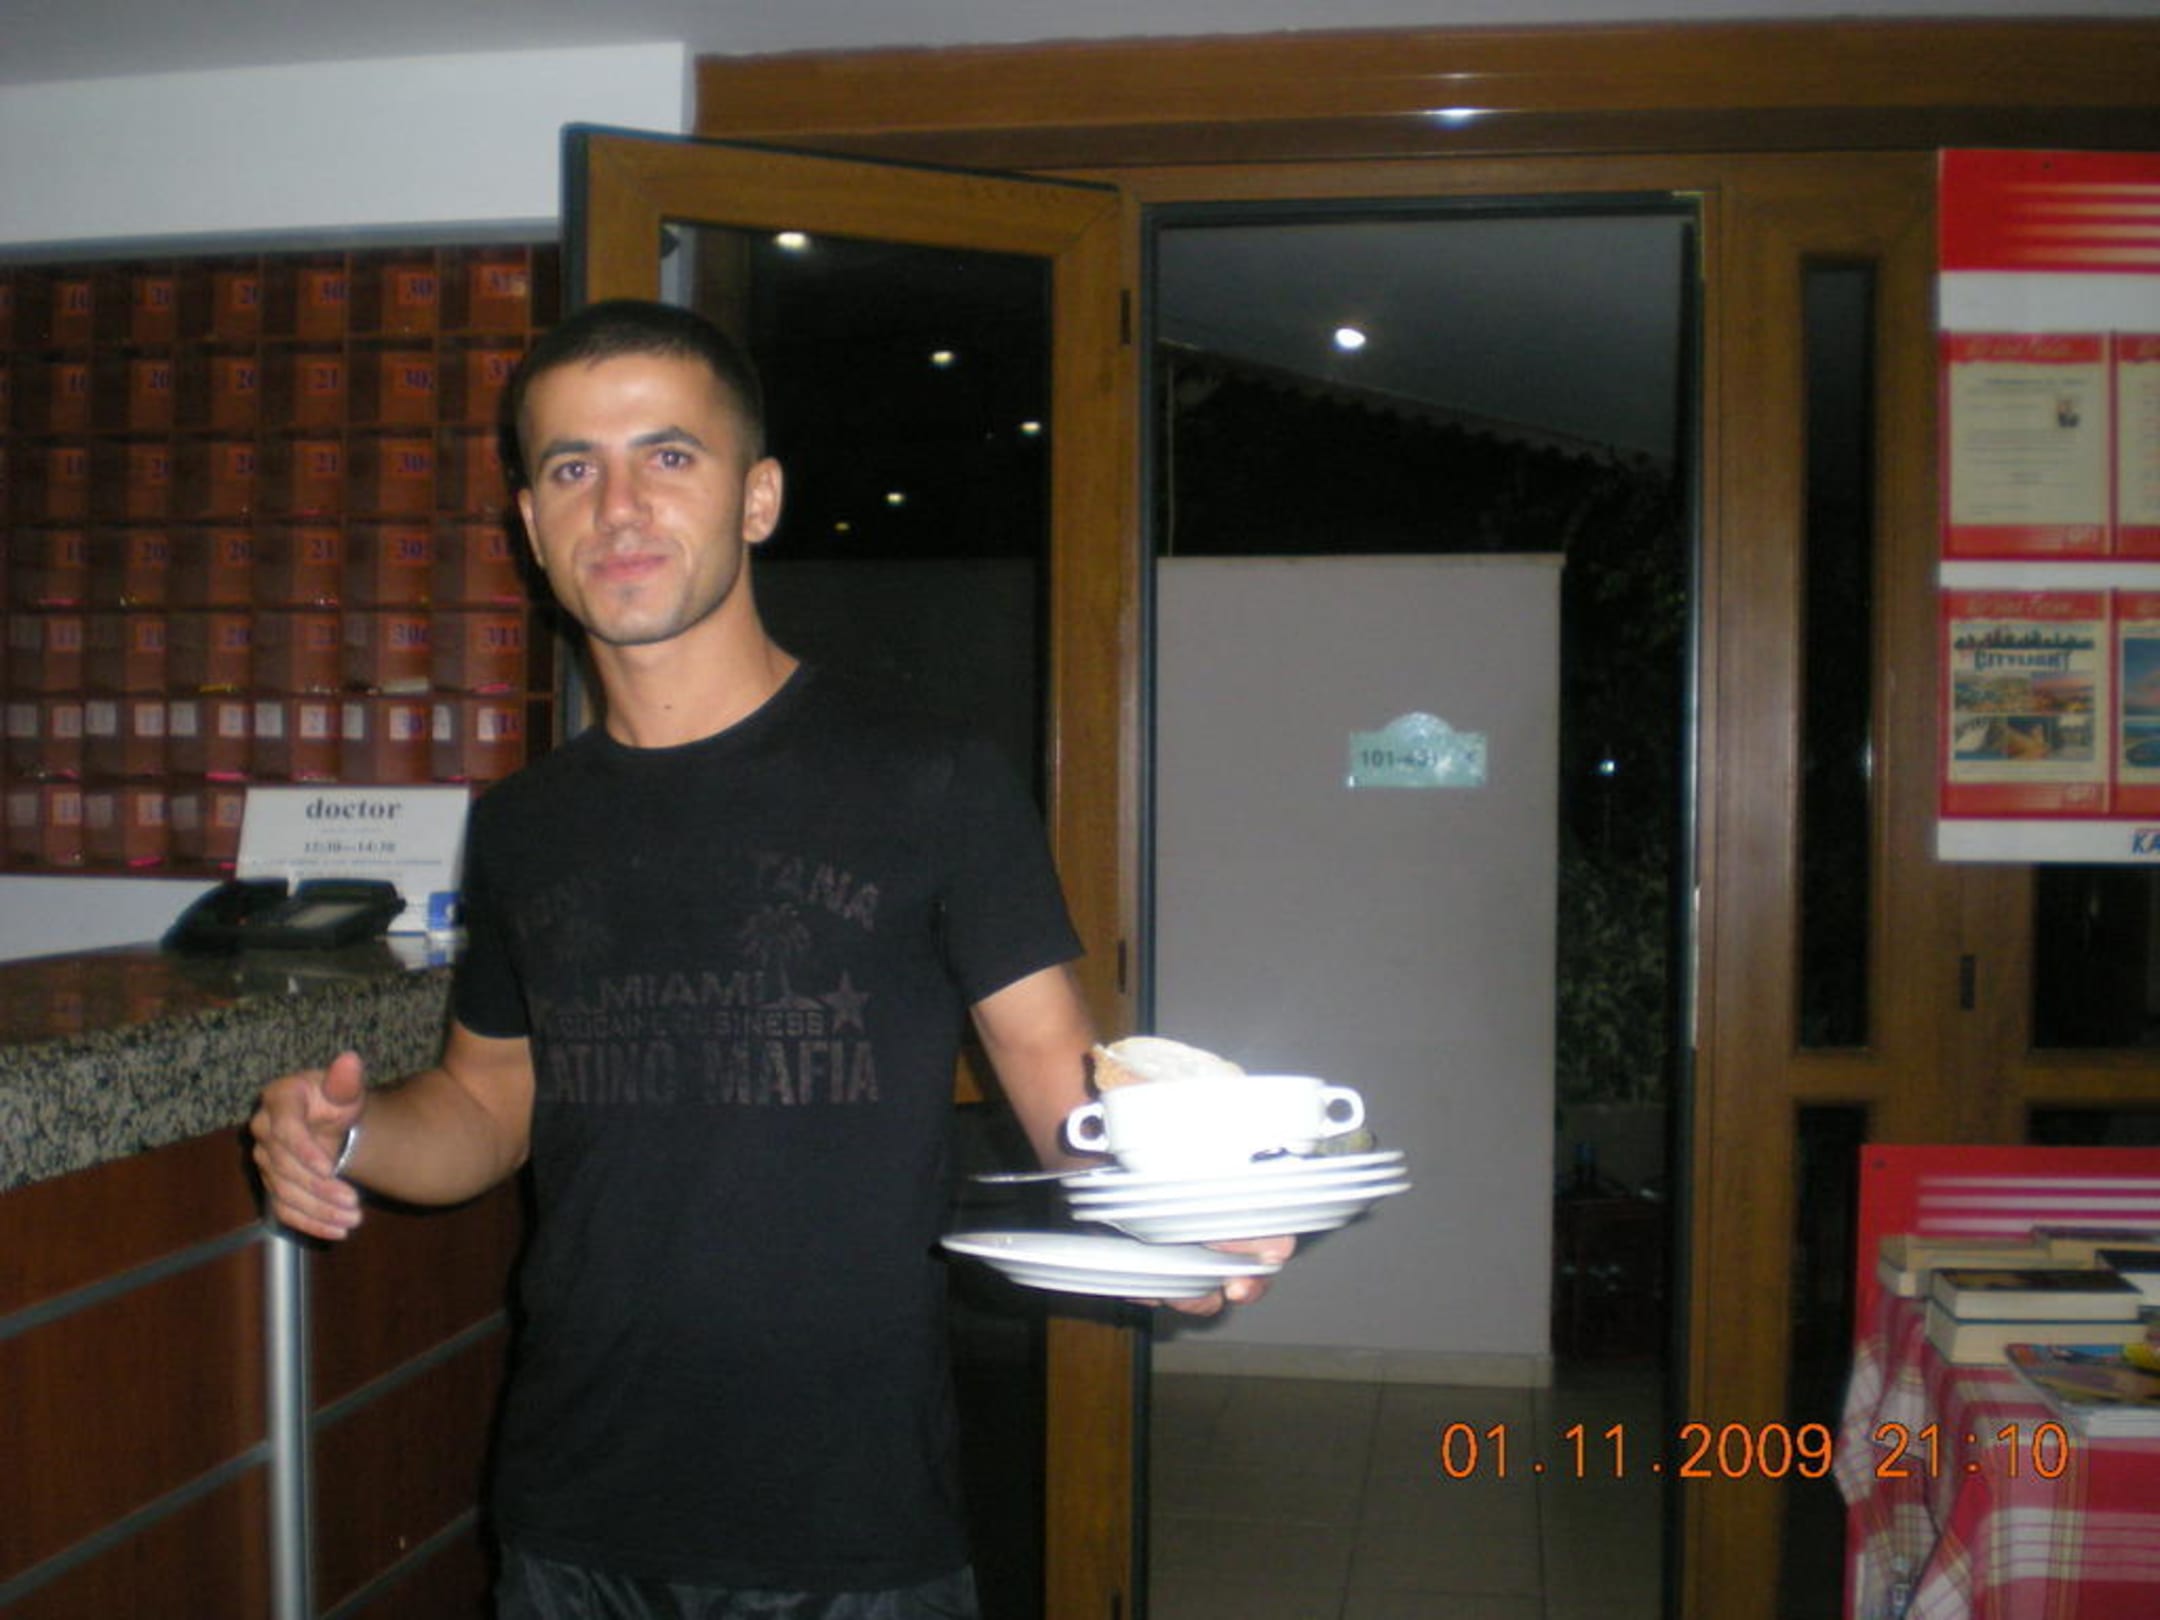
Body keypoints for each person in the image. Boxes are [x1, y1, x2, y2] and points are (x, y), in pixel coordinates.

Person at [249, 298, 1291, 1619]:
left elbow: (1054, 1072)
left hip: (849, 1532)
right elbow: (486, 1103)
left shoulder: (931, 782)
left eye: (668, 456)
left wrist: (1171, 1215)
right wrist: (345, 1136)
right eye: (572, 468)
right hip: (573, 1512)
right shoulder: (523, 825)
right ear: (531, 525)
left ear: (758, 498)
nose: (619, 506)